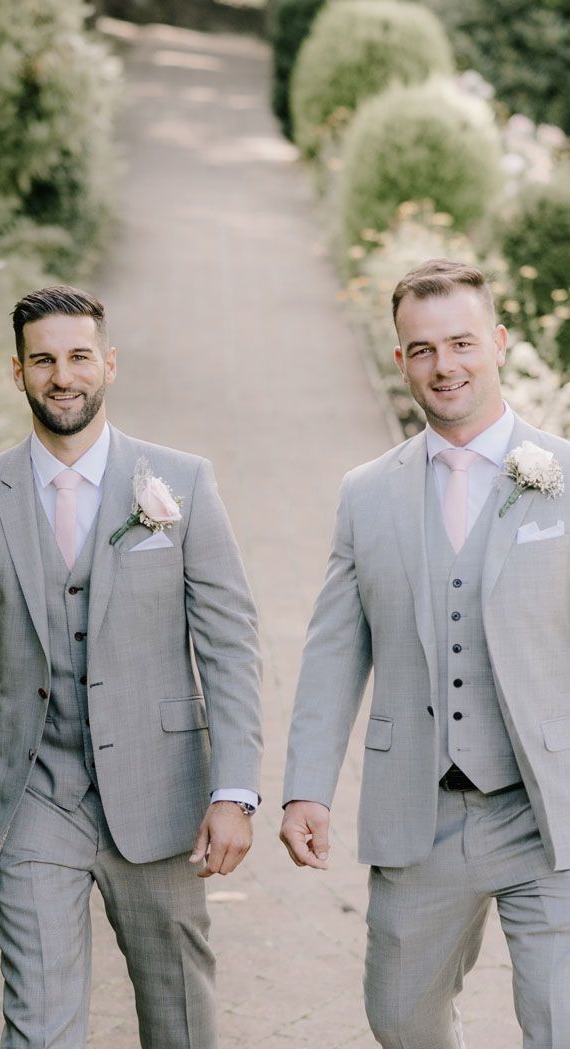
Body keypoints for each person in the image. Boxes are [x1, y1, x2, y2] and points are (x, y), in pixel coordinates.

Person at [0, 284, 262, 1049]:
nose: (62, 375)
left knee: (179, 1016)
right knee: (39, 1025)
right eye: (42, 360)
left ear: (108, 364)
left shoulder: (182, 482)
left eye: (79, 357)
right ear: (18, 372)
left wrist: (234, 789)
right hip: (31, 795)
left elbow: (230, 645)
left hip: (161, 793)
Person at [280, 258, 570, 1048]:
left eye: (462, 342)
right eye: (422, 349)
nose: (445, 365)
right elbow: (334, 650)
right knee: (401, 1018)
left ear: (500, 342)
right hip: (422, 807)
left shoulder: (566, 477)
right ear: (401, 358)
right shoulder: (366, 492)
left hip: (547, 808)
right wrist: (306, 787)